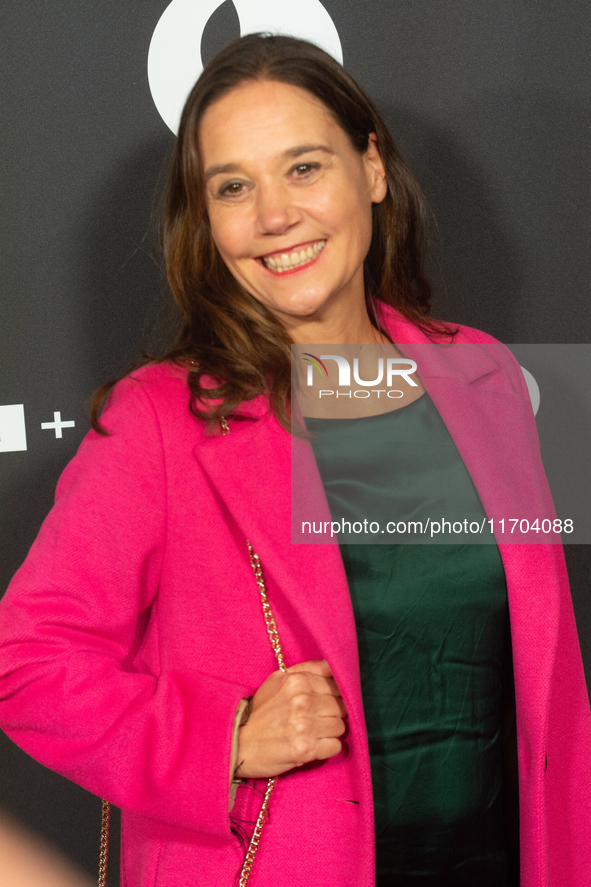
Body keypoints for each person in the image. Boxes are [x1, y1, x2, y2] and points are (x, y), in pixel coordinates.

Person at [0, 33, 589, 887]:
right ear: (206, 220)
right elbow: (25, 660)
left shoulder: (483, 373)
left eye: (304, 167)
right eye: (234, 186)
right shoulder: (159, 420)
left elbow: (546, 690)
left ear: (373, 172)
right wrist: (223, 737)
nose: (274, 214)